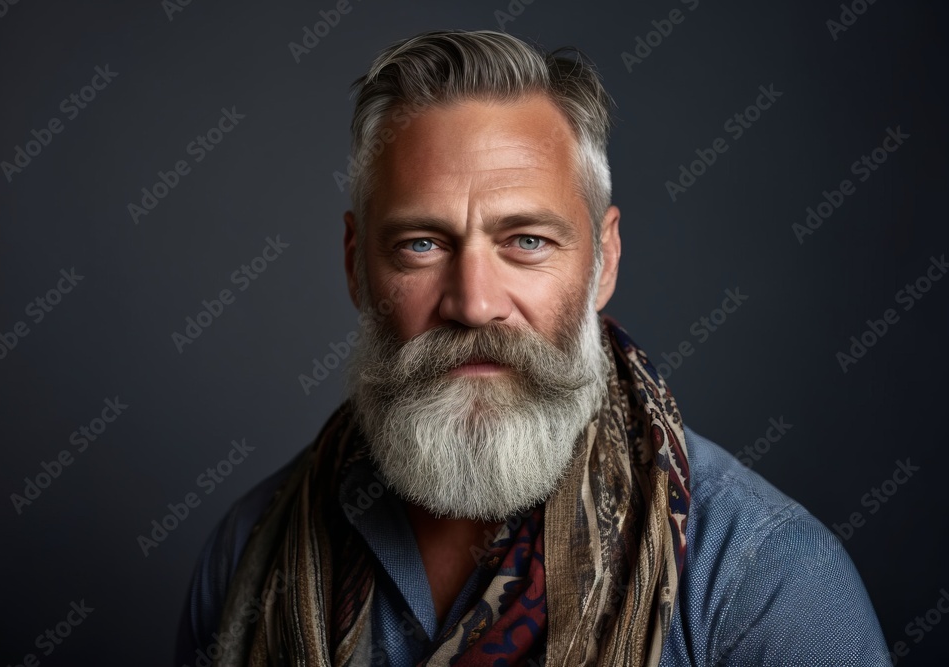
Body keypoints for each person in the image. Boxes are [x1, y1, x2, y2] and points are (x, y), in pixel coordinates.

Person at [176, 30, 890, 666]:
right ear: (356, 263)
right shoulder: (251, 552)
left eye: (527, 241)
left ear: (604, 261)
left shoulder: (763, 583)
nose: (475, 301)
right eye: (421, 243)